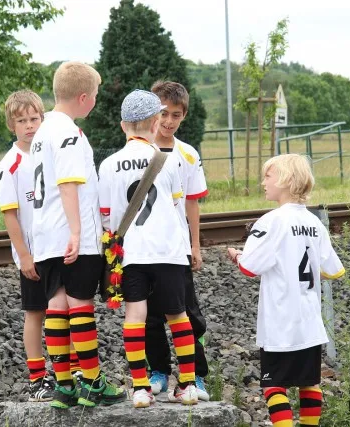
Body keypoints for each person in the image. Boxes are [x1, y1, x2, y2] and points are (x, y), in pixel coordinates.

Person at [30, 61, 126, 409]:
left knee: (56, 306)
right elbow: (68, 183)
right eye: (95, 95)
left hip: (45, 236)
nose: (96, 101)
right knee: (80, 304)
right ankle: (92, 381)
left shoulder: (41, 132)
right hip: (74, 235)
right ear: (83, 97)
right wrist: (76, 231)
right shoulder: (69, 133)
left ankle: (64, 386)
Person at [226, 154, 345, 427]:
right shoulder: (315, 223)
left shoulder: (271, 221)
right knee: (309, 383)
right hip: (309, 322)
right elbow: (333, 270)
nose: (263, 182)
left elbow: (250, 268)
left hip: (280, 322)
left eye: (267, 176)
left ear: (285, 180)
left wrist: (238, 256)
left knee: (274, 384)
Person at [98, 89, 199, 408]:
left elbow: (106, 216)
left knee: (135, 315)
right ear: (156, 123)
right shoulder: (168, 161)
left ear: (122, 126)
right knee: (178, 314)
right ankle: (187, 384)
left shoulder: (109, 165)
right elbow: (177, 203)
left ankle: (141, 387)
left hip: (133, 253)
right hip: (169, 251)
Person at [146, 80, 210, 401]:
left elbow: (192, 203)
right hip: (146, 249)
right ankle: (158, 370)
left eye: (176, 115)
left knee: (187, 313)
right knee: (150, 315)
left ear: (184, 115)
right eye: (163, 113)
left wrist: (195, 245)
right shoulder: (140, 151)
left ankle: (195, 375)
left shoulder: (188, 154)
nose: (168, 121)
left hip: (177, 248)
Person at [0, 90, 54, 402]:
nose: (29, 125)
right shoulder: (9, 165)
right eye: (22, 121)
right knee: (35, 313)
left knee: (64, 310)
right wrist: (25, 256)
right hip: (33, 254)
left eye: (34, 118)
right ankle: (37, 380)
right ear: (11, 125)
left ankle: (69, 372)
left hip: (57, 248)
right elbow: (11, 216)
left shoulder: (51, 153)